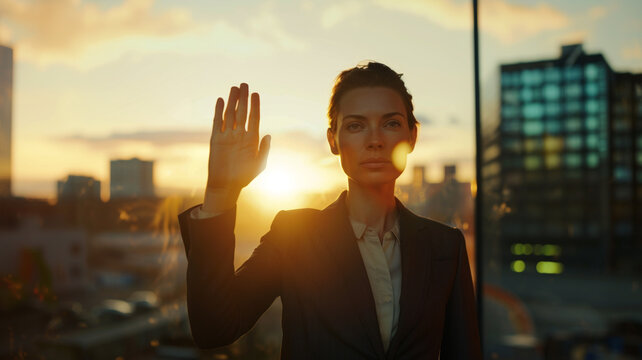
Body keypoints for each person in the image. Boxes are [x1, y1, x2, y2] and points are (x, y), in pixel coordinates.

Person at [178, 62, 482, 359]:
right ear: (333, 140)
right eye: (355, 126)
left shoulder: (446, 246)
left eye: (391, 123)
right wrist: (219, 193)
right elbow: (214, 329)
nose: (375, 141)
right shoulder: (293, 236)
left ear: (412, 136)